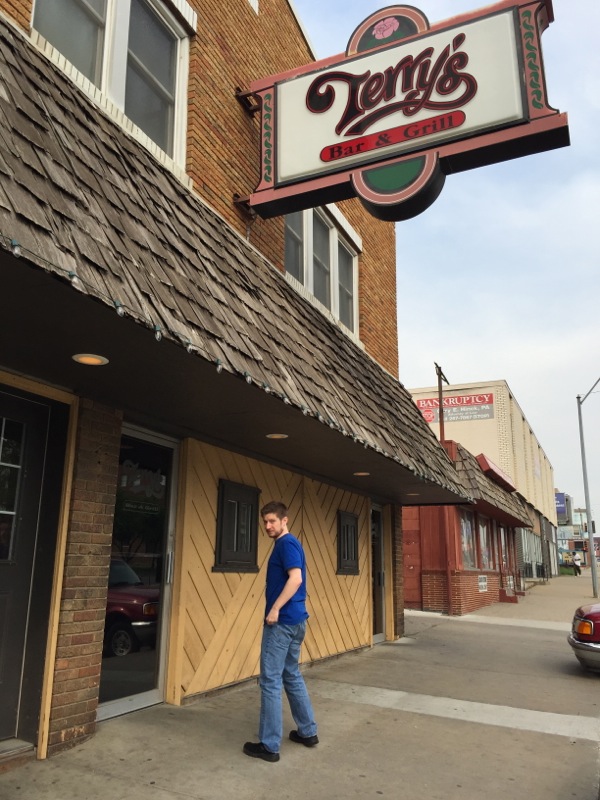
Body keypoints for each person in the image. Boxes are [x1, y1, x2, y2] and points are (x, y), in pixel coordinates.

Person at [243, 501, 318, 763]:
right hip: (296, 620)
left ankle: (269, 745)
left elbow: (295, 578)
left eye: (273, 521)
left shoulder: (286, 544)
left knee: (271, 680)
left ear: (285, 520)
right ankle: (308, 732)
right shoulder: (290, 544)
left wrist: (274, 609)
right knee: (291, 674)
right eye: (265, 521)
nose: (268, 526)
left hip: (283, 622)